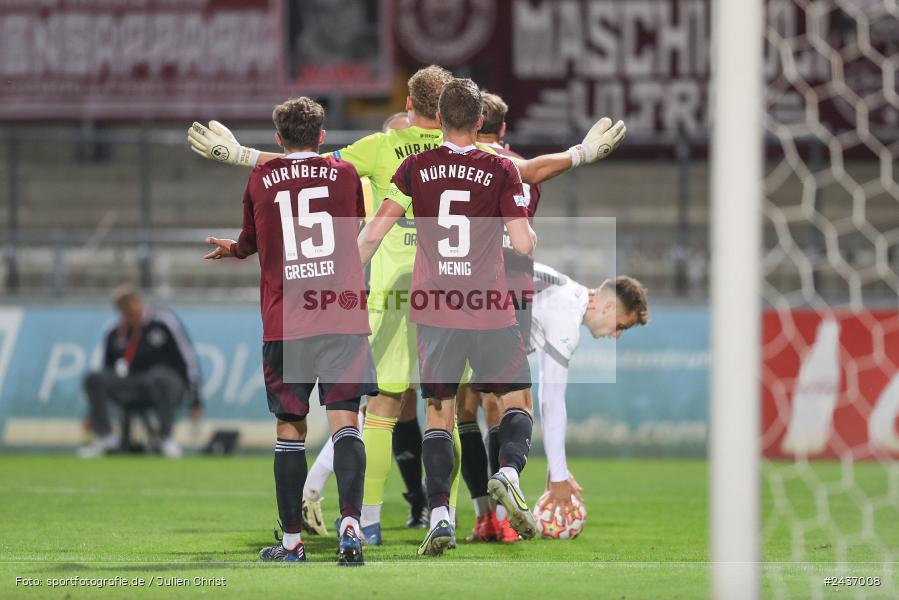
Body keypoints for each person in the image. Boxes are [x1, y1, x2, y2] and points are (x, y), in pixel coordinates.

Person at [187, 65, 626, 544]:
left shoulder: (391, 153)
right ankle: (484, 496)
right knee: (484, 404)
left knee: (389, 407)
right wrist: (583, 153)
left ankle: (379, 520)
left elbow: (307, 165)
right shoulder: (491, 159)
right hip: (479, 300)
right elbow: (531, 189)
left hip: (408, 296)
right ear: (472, 119)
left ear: (421, 109)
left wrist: (241, 155)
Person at [357, 79, 538, 556]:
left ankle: (439, 515)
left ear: (439, 117)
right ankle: (508, 473)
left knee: (438, 413)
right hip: (489, 308)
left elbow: (374, 232)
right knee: (518, 399)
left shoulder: (414, 166)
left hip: (434, 310)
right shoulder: (501, 168)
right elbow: (522, 244)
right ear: (480, 122)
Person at [203, 97, 374, 565]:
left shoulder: (260, 177)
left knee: (290, 428)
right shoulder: (343, 174)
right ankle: (351, 528)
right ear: (322, 136)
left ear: (278, 138)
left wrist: (235, 250)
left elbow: (252, 240)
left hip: (288, 319)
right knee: (347, 422)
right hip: (341, 314)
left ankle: (293, 543)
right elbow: (354, 224)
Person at [457, 91, 541, 543]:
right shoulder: (520, 169)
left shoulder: (447, 164)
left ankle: (481, 515)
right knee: (508, 404)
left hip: (453, 287)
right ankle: (504, 512)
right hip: (512, 291)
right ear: (503, 128)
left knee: (463, 407)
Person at [529, 263, 649, 515]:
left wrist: (556, 466)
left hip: (460, 295)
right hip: (462, 302)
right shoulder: (567, 317)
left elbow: (545, 388)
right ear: (609, 307)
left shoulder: (567, 295)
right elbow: (551, 400)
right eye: (621, 326)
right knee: (511, 404)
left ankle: (489, 516)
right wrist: (558, 477)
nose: (616, 335)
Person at [79, 285, 201, 459]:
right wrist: (91, 414)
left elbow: (188, 361)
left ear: (139, 303)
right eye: (124, 312)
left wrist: (195, 400)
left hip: (163, 385)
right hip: (131, 384)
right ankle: (105, 438)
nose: (129, 316)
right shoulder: (114, 331)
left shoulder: (164, 322)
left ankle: (166, 439)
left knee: (160, 377)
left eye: (131, 310)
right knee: (93, 377)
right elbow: (106, 368)